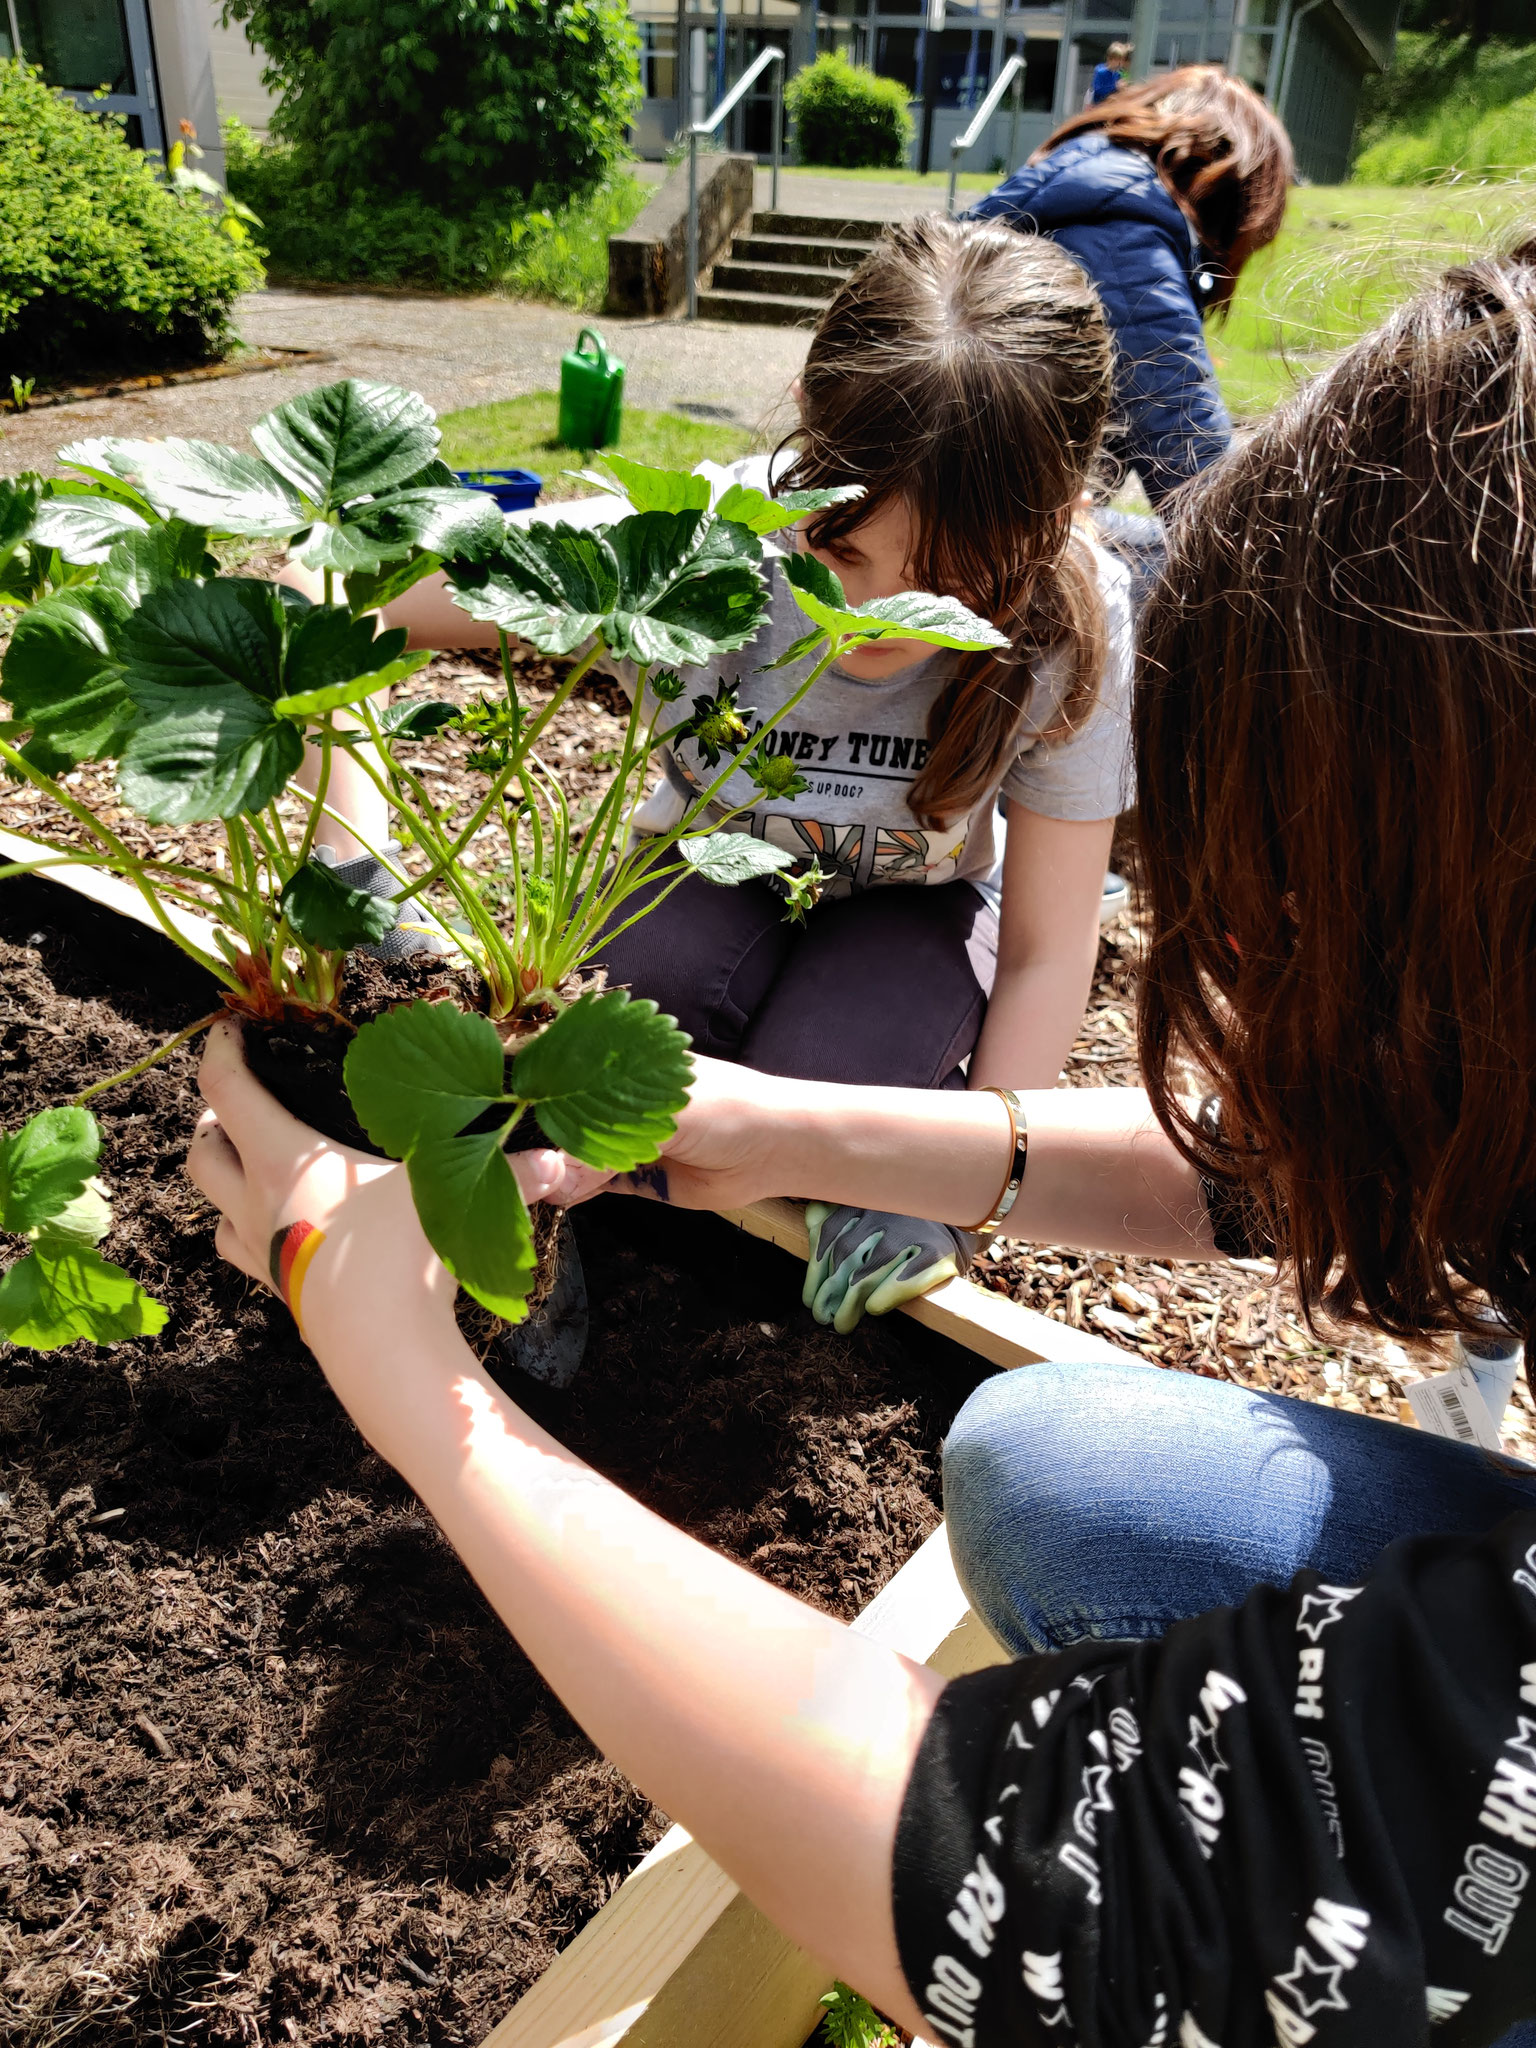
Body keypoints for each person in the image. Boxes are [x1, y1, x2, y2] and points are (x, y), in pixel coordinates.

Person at [193, 240, 1536, 2043]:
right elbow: (1277, 1161)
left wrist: (422, 1397)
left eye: (1304, 903)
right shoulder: (714, 540)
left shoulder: (1067, 637)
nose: (1256, 965)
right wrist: (789, 1130)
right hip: (704, 899)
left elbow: (1043, 1900)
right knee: (1050, 1454)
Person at [310, 217, 1137, 1334]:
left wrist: (967, 1185)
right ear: (808, 431)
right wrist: (356, 875)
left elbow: (1046, 947)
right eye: (842, 557)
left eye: (953, 584)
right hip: (703, 871)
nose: (870, 616)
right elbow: (334, 607)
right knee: (590, 1055)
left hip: (913, 908)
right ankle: (556, 1267)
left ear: (1062, 519)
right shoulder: (695, 544)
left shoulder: (1071, 612)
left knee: (837, 1113)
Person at [968, 65, 1293, 511]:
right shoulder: (1125, 242)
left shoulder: (1081, 178)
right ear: (1235, 193)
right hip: (962, 538)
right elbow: (1205, 494)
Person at [1086, 39, 1132, 107]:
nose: (1119, 63)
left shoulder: (1118, 74)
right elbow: (1098, 90)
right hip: (1099, 106)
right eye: (1117, 60)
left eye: (1121, 60)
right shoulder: (1100, 72)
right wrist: (1115, 86)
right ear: (1109, 59)